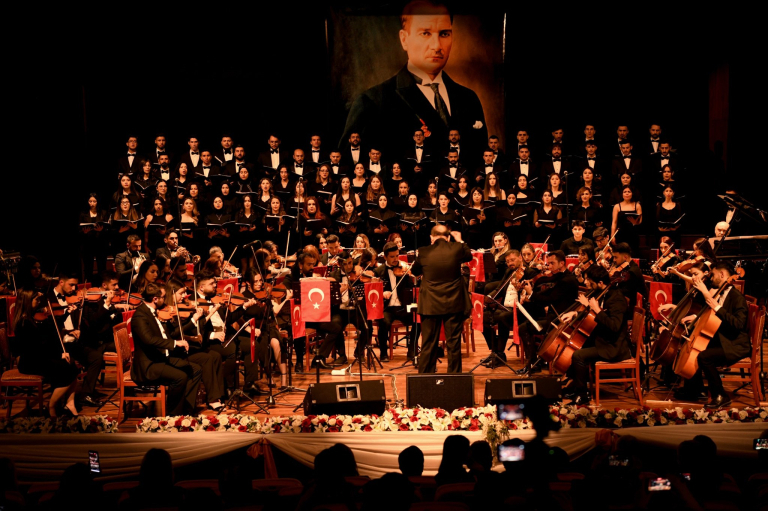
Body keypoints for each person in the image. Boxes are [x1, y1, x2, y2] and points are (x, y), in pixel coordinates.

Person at [340, 0, 487, 158]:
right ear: (404, 39)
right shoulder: (372, 103)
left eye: (444, 34)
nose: (437, 46)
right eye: (425, 33)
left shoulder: (469, 99)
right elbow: (348, 164)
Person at [675, 262, 750, 408]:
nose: (711, 278)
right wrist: (696, 317)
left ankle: (720, 395)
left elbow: (738, 324)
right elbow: (713, 317)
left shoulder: (737, 297)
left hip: (735, 344)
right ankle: (694, 390)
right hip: (723, 338)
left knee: (704, 357)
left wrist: (716, 306)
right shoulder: (721, 292)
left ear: (722, 275)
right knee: (692, 344)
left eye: (713, 274)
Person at [560, 265, 631, 405]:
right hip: (603, 339)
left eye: (589, 280)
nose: (586, 283)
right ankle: (574, 386)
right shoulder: (602, 292)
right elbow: (592, 315)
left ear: (600, 282)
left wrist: (597, 309)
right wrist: (575, 313)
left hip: (613, 346)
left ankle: (582, 395)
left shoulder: (617, 299)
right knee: (577, 346)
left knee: (578, 355)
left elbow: (614, 326)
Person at [130, 282, 202, 415]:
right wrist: (175, 343)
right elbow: (149, 340)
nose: (165, 300)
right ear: (155, 299)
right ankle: (173, 414)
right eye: (163, 297)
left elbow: (165, 334)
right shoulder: (140, 316)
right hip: (149, 365)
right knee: (180, 377)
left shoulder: (153, 312)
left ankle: (186, 409)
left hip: (160, 357)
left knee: (195, 369)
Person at [410, 224, 472, 373]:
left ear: (431, 238)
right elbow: (469, 255)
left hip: (430, 303)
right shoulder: (457, 248)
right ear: (448, 237)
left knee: (429, 342)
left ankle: (425, 377)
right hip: (453, 302)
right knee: (453, 343)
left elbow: (415, 271)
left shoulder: (423, 251)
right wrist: (460, 240)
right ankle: (454, 378)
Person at [12, 289, 79, 417]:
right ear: (27, 301)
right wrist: (59, 355)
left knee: (71, 365)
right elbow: (35, 348)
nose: (39, 302)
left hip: (37, 357)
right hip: (29, 361)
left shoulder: (32, 318)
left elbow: (50, 329)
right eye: (36, 300)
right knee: (67, 369)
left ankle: (69, 403)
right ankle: (51, 406)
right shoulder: (24, 323)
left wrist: (66, 314)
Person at [282, 251, 344, 369]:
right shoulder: (290, 278)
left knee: (336, 328)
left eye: (313, 264)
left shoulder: (314, 277)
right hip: (298, 317)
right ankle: (299, 362)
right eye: (309, 264)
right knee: (299, 328)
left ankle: (319, 358)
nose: (312, 267)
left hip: (313, 316)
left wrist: (322, 280)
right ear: (301, 265)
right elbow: (285, 296)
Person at [78, 270, 122, 408]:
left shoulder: (110, 300)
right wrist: (107, 304)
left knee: (127, 347)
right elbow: (94, 324)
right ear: (104, 285)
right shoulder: (90, 303)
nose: (117, 288)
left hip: (106, 341)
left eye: (117, 284)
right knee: (95, 357)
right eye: (114, 285)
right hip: (93, 342)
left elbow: (112, 322)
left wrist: (117, 310)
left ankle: (131, 386)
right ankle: (86, 394)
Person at [374, 242, 417, 362]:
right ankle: (383, 353)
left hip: (403, 307)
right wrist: (382, 293)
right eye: (392, 257)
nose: (396, 259)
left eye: (397, 256)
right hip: (388, 308)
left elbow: (412, 288)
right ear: (385, 257)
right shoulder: (379, 271)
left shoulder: (404, 269)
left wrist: (410, 276)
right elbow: (374, 293)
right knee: (384, 322)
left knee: (417, 320)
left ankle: (412, 350)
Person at [79, 193, 110, 279]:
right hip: (88, 244)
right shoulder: (83, 214)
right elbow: (79, 229)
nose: (92, 203)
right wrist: (84, 232)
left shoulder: (103, 213)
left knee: (102, 267)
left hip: (101, 243)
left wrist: (101, 230)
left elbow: (108, 228)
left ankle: (102, 283)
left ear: (98, 202)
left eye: (94, 201)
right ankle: (88, 284)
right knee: (88, 267)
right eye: (90, 201)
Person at [611, 185, 643, 254]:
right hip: (620, 233)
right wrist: (612, 236)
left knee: (633, 253)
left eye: (629, 192)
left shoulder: (637, 205)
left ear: (632, 193)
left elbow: (640, 221)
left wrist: (635, 222)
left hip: (633, 233)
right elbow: (614, 222)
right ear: (622, 194)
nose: (627, 193)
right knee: (621, 253)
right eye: (625, 192)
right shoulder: (617, 206)